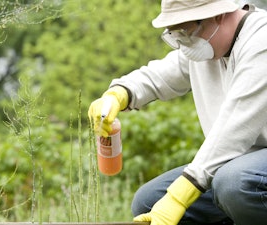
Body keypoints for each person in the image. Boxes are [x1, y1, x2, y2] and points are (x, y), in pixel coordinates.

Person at [87, 0, 267, 224]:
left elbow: (235, 128)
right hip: (239, 164)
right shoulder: (206, 47)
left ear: (218, 15)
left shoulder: (261, 41)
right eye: (176, 33)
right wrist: (118, 94)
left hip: (249, 169)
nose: (183, 42)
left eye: (186, 30)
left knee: (234, 183)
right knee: (149, 201)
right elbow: (161, 74)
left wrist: (179, 197)